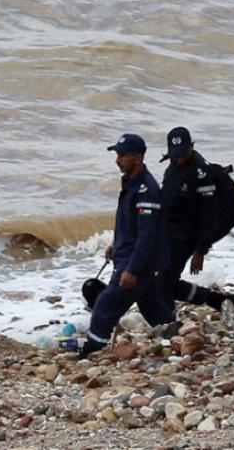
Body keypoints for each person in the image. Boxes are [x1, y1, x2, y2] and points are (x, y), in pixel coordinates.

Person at [79, 134, 176, 358]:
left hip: (136, 261)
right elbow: (129, 223)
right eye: (117, 154)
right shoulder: (131, 182)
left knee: (105, 305)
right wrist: (116, 243)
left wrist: (132, 269)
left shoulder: (146, 190)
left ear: (137, 158)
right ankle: (176, 334)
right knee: (152, 305)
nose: (117, 160)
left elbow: (147, 235)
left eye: (122, 155)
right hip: (129, 255)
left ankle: (93, 350)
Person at [160, 127, 234, 311]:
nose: (179, 159)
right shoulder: (173, 165)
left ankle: (167, 321)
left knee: (164, 282)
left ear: (191, 146)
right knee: (164, 281)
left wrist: (201, 250)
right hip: (171, 232)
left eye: (182, 154)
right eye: (175, 155)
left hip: (187, 236)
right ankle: (219, 301)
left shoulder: (201, 173)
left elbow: (209, 214)